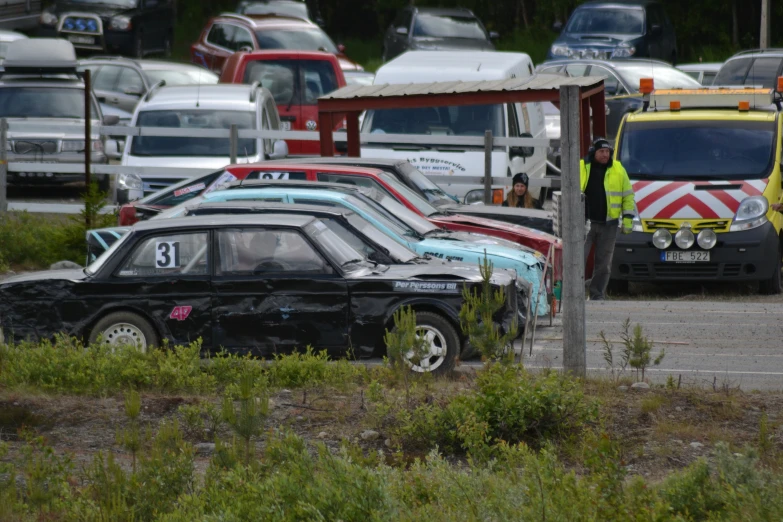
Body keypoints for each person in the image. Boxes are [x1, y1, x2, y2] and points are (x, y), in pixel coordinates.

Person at [581, 137, 635, 300]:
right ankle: (574, 294)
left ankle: (597, 294)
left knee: (604, 264)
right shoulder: (582, 167)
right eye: (601, 151)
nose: (605, 155)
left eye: (607, 152)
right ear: (594, 152)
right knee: (577, 260)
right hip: (584, 224)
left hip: (609, 224)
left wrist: (627, 219)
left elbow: (628, 196)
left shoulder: (618, 169)